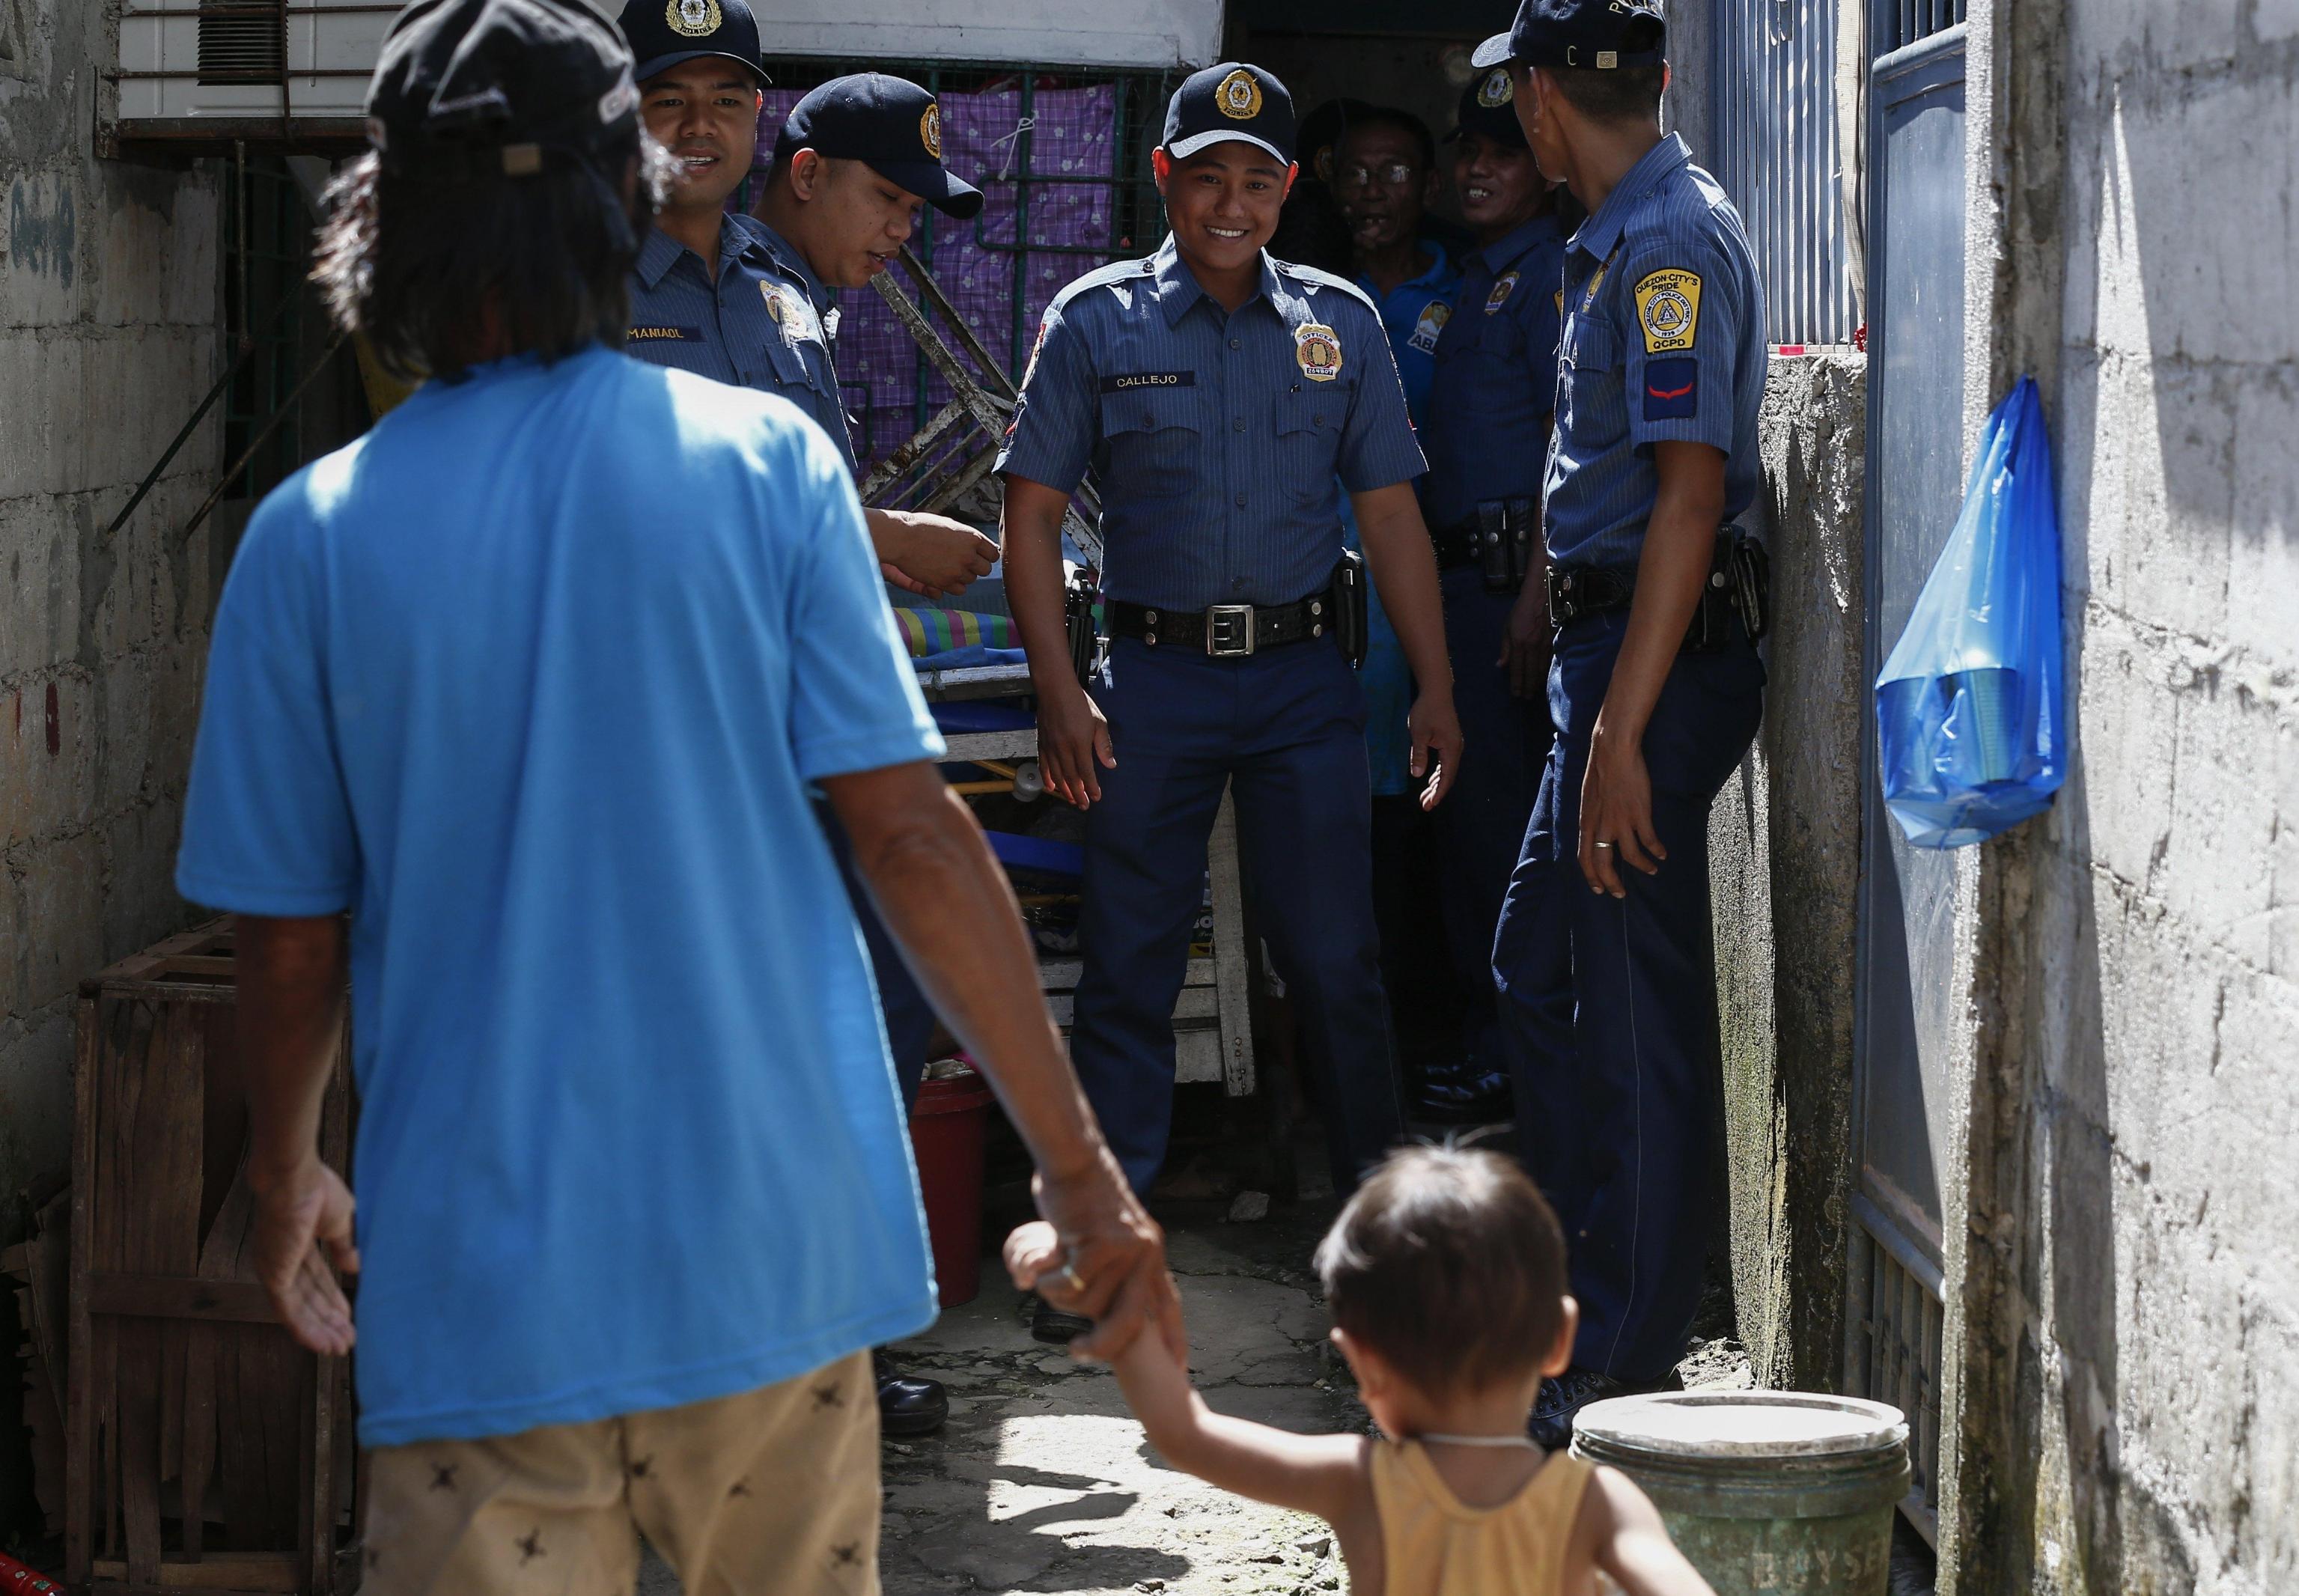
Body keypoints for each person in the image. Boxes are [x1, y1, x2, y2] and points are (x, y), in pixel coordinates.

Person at [176, 4, 1176, 1591]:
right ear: (615, 196)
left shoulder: (312, 536)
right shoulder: (768, 467)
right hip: (772, 1263)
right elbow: (911, 836)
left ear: (388, 228)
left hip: (480, 1293)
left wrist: (284, 1169)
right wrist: (1077, 1166)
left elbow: (288, 937)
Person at [996, 64, 1464, 1249]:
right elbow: (1033, 512)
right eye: (1207, 177)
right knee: (1129, 966)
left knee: (1334, 962)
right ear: (1163, 178)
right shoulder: (1094, 320)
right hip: (1148, 687)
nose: (1231, 205)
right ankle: (1102, 1244)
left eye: (1256, 182)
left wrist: (1434, 685)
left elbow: (1392, 517)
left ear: (1284, 190)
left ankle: (1384, 1241)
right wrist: (1059, 689)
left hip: (1303, 686)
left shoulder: (1338, 324)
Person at [614, 1, 997, 1433]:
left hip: (801, 730)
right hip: (661, 740)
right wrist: (885, 530)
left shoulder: (774, 284)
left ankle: (817, 1339)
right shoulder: (578, 283)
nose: (701, 123)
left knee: (859, 1021)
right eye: (669, 97)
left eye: (727, 95)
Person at [1476, 0, 1769, 1446]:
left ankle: (1630, 1349)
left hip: (1652, 672)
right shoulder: (1609, 241)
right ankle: (1602, 1277)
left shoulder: (1665, 240)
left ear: (1540, 100)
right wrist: (1547, 603)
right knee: (1535, 964)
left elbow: (1692, 496)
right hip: (1600, 652)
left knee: (1631, 1006)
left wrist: (1615, 740)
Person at [1004, 1149, 1717, 1596]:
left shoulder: (1358, 1485)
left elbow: (1183, 1434)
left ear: (1360, 1362)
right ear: (1560, 1338)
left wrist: (1115, 1302)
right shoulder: (1598, 1501)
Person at [1416, 66, 1572, 1121]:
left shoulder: (1554, 269)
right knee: (1473, 835)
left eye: (1501, 149)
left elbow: (1575, 442)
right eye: (1466, 151)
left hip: (1515, 590)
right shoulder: (1481, 276)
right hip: (1466, 586)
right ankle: (1496, 1048)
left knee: (1505, 836)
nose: (1477, 167)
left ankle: (1512, 1062)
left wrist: (1534, 599)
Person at [1333, 106, 1461, 427]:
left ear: (1430, 187)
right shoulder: (1314, 290)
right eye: (1355, 174)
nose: (1372, 192)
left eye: (1395, 172)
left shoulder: (1462, 293)